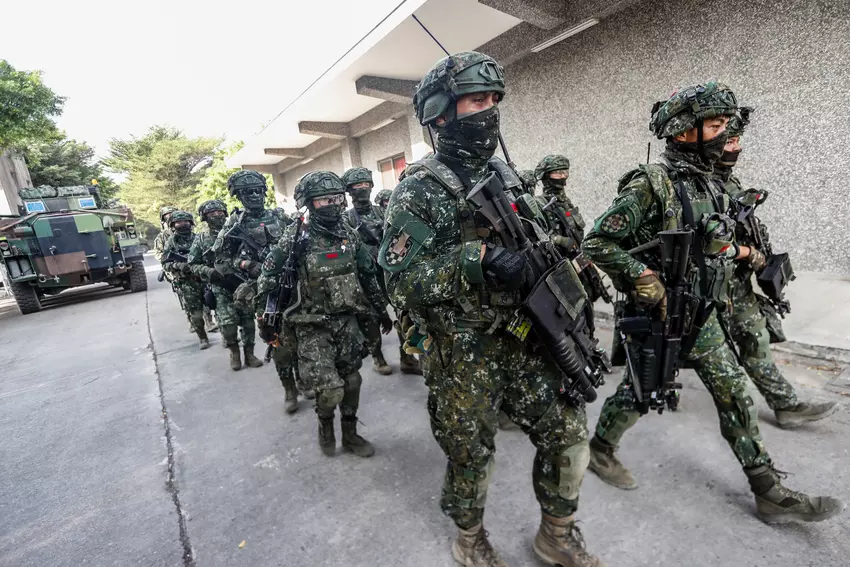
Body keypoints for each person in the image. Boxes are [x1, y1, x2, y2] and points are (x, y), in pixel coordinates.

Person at [378, 51, 604, 567]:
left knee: (568, 435)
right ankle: (470, 536)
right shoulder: (419, 190)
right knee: (470, 455)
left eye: (495, 100)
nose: (490, 111)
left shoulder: (507, 172)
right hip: (465, 353)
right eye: (477, 100)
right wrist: (475, 260)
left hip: (528, 339)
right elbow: (399, 283)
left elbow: (538, 238)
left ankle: (557, 534)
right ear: (441, 114)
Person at [582, 82, 845, 525]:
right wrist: (644, 278)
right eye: (718, 125)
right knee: (639, 394)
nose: (727, 135)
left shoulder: (713, 181)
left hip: (705, 314)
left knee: (734, 394)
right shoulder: (652, 184)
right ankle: (600, 449)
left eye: (727, 125)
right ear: (685, 132)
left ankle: (768, 490)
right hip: (663, 314)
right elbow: (597, 242)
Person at [714, 110, 837, 428]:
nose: (734, 147)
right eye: (728, 140)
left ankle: (785, 405)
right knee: (691, 349)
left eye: (738, 140)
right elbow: (705, 246)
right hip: (709, 288)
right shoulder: (701, 186)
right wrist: (749, 253)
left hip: (735, 285)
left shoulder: (729, 181)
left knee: (755, 338)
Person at [256, 171, 391, 457]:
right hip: (310, 325)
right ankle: (325, 424)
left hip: (347, 320)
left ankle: (351, 433)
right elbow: (268, 279)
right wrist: (268, 317)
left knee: (352, 381)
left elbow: (368, 274)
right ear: (308, 204)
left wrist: (381, 310)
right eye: (323, 200)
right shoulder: (294, 239)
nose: (331, 205)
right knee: (330, 390)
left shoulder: (348, 234)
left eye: (336, 198)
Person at [212, 170, 290, 370]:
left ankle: (302, 378)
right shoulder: (234, 224)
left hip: (290, 279)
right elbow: (221, 259)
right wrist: (247, 265)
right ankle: (287, 381)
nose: (254, 196)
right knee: (273, 331)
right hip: (261, 287)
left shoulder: (279, 216)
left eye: (257, 191)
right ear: (238, 196)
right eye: (247, 192)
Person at [342, 167, 393, 375]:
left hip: (389, 271)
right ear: (350, 191)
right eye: (357, 186)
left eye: (365, 184)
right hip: (365, 275)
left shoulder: (382, 211)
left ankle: (407, 356)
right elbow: (345, 247)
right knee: (371, 318)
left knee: (403, 312)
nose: (362, 189)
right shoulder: (347, 218)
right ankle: (377, 356)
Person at [161, 210, 209, 350]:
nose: (182, 224)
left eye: (185, 221)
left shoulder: (199, 238)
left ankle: (227, 337)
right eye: (179, 222)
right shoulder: (171, 242)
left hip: (205, 278)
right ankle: (203, 337)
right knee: (195, 313)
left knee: (217, 307)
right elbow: (165, 263)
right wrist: (179, 265)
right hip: (187, 282)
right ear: (173, 225)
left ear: (191, 223)